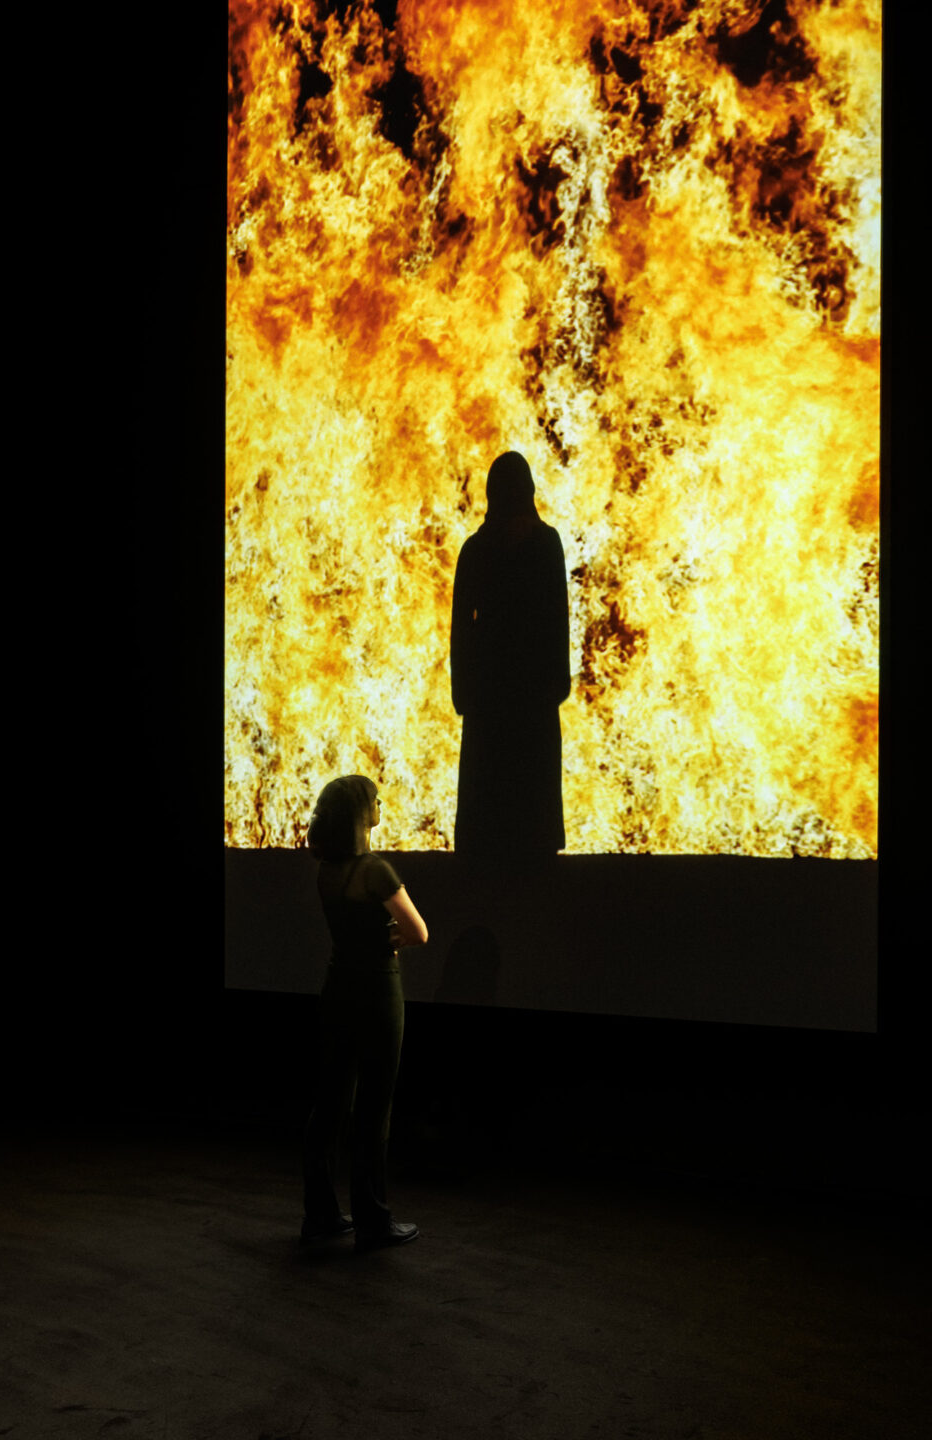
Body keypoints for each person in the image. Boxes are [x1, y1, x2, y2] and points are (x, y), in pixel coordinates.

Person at [301, 774, 428, 1251]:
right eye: (376, 799)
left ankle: (320, 1216)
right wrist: (389, 938)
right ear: (360, 813)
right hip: (376, 992)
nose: (381, 804)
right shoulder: (375, 870)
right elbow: (418, 932)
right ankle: (373, 1220)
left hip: (337, 990)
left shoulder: (327, 869)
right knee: (374, 1108)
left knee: (330, 1104)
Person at [450, 451, 571, 859]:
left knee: (490, 796)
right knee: (530, 796)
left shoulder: (477, 549)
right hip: (532, 691)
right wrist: (557, 682)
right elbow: (558, 617)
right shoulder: (545, 544)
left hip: (490, 693)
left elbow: (461, 631)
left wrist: (463, 690)